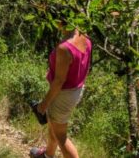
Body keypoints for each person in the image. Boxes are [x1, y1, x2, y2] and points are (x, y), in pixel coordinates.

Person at [29, 14, 92, 158]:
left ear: (59, 22)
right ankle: (48, 155)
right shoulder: (86, 37)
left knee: (61, 135)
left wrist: (42, 106)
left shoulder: (65, 48)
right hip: (76, 89)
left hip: (63, 94)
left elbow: (59, 82)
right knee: (55, 127)